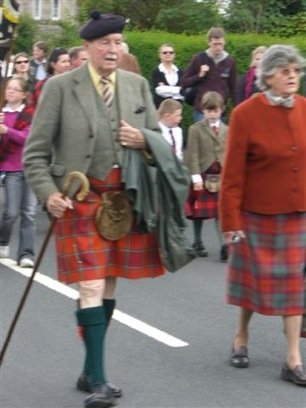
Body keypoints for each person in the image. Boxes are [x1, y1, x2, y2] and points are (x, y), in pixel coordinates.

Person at [24, 11, 192, 408]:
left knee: (108, 283)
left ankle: (88, 368)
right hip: (81, 199)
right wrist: (48, 193)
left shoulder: (136, 86)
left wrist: (144, 141)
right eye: (105, 43)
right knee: (91, 285)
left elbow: (159, 148)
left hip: (125, 202)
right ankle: (99, 378)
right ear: (88, 47)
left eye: (118, 42)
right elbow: (35, 153)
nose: (113, 49)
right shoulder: (60, 88)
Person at [219, 44, 306, 386]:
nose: (292, 77)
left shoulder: (305, 109)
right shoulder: (244, 113)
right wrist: (230, 222)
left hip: (297, 215)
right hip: (256, 214)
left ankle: (293, 358)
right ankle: (241, 334)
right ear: (267, 75)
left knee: (294, 287)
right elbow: (232, 176)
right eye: (285, 71)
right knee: (252, 283)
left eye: (296, 71)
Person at [185, 91, 228, 260]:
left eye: (215, 110)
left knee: (220, 212)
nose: (212, 114)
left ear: (221, 110)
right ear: (203, 111)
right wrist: (195, 177)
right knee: (199, 213)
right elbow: (192, 154)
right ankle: (197, 241)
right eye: (209, 111)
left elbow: (230, 153)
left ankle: (224, 245)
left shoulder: (227, 130)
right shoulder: (195, 129)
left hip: (221, 175)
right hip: (202, 175)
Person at [0, 77, 36, 267]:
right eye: (9, 88)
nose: (11, 92)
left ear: (24, 94)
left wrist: (7, 130)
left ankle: (26, 254)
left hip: (30, 168)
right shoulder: (1, 113)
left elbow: (26, 138)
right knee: (11, 212)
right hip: (10, 168)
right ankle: (3, 241)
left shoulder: (29, 114)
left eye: (15, 89)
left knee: (29, 212)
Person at [180, 27, 237, 122]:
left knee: (220, 137)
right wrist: (199, 75)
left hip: (220, 111)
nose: (218, 47)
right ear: (209, 43)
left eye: (220, 44)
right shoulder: (199, 59)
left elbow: (233, 88)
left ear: (224, 42)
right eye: (215, 44)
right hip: (201, 110)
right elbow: (184, 82)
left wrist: (236, 108)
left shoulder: (230, 62)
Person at [151, 43, 184, 108]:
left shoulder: (180, 71)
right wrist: (178, 90)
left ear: (174, 55)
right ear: (160, 55)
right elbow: (159, 90)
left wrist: (167, 89)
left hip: (177, 107)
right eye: (165, 52)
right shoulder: (156, 71)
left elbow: (183, 91)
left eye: (171, 52)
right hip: (160, 108)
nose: (168, 54)